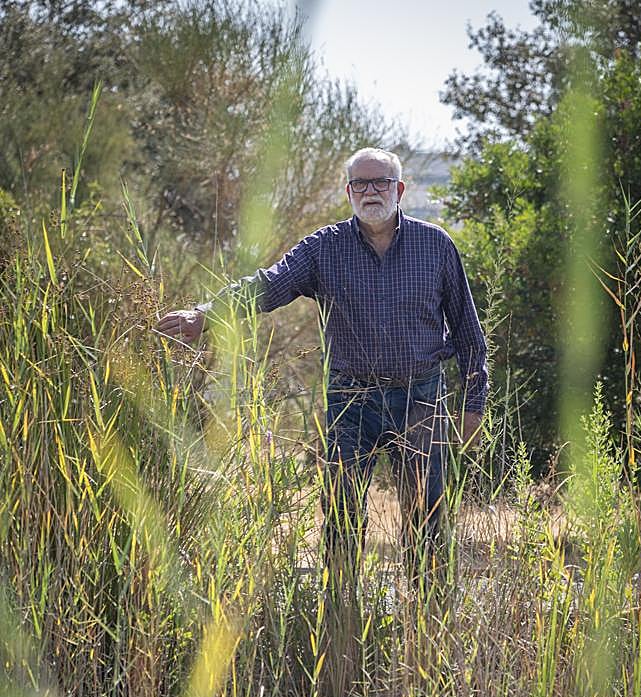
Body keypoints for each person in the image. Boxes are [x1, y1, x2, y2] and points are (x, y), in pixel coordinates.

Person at [158, 146, 488, 581]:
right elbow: (268, 285)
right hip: (351, 400)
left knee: (427, 519)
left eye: (381, 182)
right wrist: (204, 314)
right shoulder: (324, 249)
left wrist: (473, 404)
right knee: (341, 516)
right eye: (360, 184)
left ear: (400, 189)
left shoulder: (436, 245)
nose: (371, 191)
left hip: (421, 398)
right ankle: (339, 619)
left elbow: (468, 330)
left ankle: (430, 627)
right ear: (348, 191)